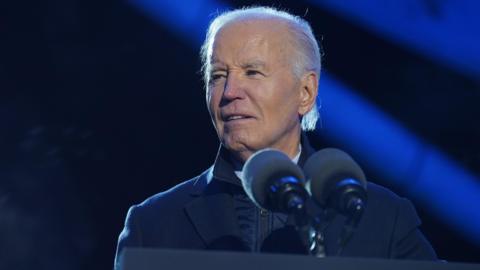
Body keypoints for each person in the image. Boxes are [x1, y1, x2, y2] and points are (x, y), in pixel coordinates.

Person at [114, 6, 437, 268]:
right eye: (218, 76)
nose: (229, 92)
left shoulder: (382, 216)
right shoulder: (153, 223)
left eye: (252, 72)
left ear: (306, 92)